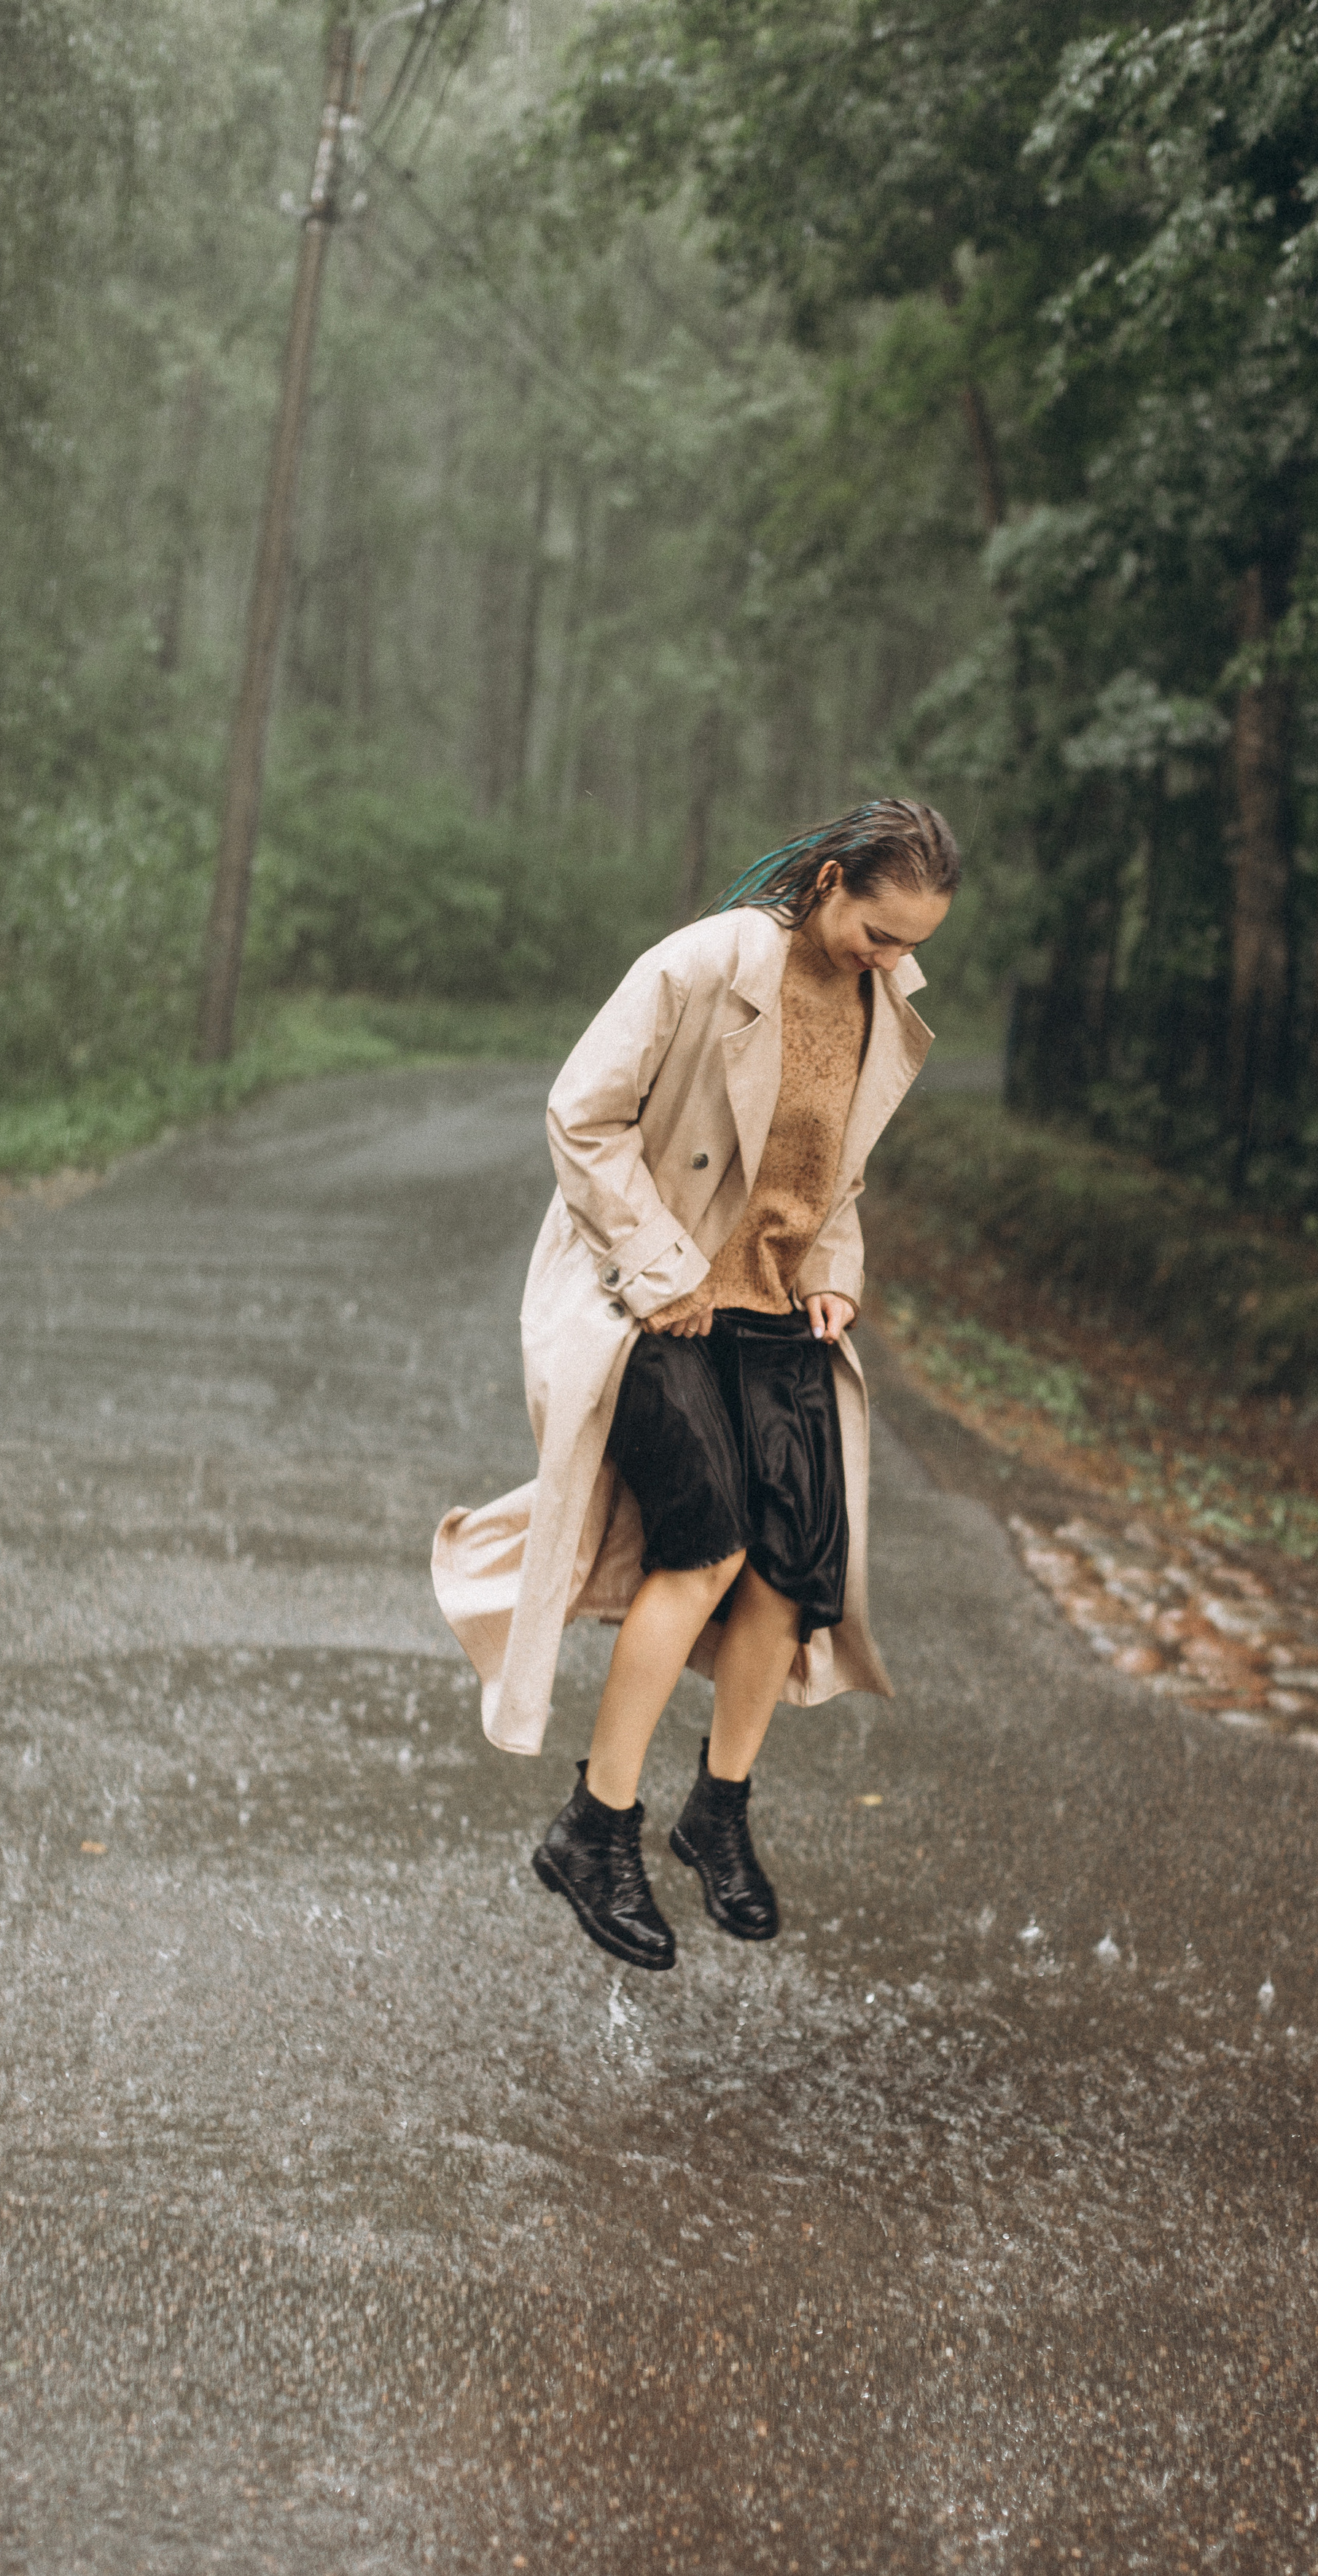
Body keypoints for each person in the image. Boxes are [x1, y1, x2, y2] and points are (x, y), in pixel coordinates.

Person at [432, 796, 959, 1972]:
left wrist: (831, 1269)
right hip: (656, 1296)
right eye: (880, 932)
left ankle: (718, 1809)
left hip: (776, 1310)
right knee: (707, 1542)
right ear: (828, 881)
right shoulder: (701, 964)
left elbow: (837, 1172)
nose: (894, 960)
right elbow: (581, 1113)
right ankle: (595, 1824)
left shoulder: (883, 999)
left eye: (912, 943)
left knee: (797, 1566)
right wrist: (662, 1266)